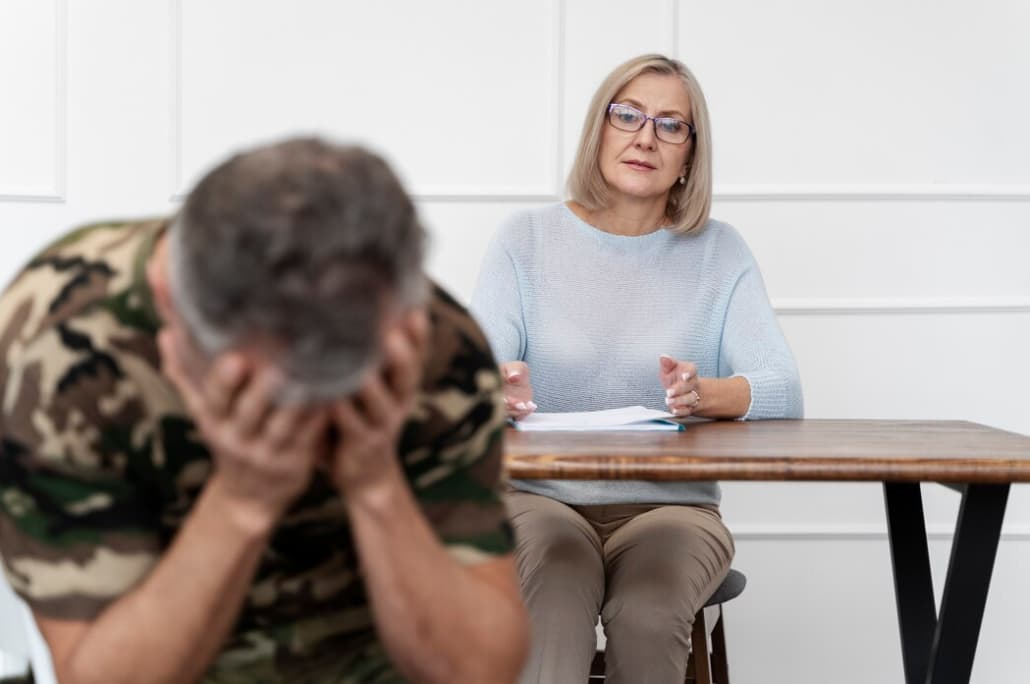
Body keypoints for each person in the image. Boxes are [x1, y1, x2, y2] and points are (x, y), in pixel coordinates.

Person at [0, 138, 529, 683]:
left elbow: (479, 670)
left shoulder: (425, 344)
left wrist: (375, 484)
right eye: (256, 388)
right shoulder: (58, 341)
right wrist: (242, 500)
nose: (298, 418)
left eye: (335, 386)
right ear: (168, 303)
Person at [470, 54, 803, 683]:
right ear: (600, 128)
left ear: (689, 154)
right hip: (538, 499)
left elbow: (782, 389)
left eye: (670, 124)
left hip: (671, 509)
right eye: (628, 115)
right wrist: (494, 388)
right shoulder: (525, 239)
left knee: (648, 614)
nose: (645, 136)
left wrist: (706, 393)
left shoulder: (719, 250)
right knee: (552, 599)